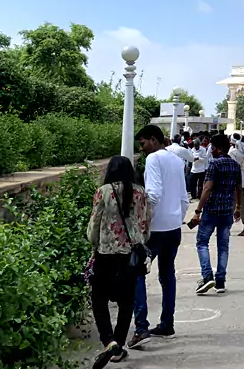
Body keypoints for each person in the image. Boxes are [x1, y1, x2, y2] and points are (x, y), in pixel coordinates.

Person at [87, 156, 151, 368]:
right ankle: (119, 347)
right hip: (130, 256)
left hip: (106, 255)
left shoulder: (103, 192)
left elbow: (93, 227)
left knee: (99, 300)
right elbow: (145, 224)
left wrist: (94, 244)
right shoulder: (141, 192)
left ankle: (109, 341)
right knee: (126, 302)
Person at [130, 125, 188, 348]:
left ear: (153, 140)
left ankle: (141, 327)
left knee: (136, 273)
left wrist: (142, 222)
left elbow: (153, 194)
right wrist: (176, 218)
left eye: (143, 143)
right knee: (167, 275)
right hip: (173, 227)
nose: (142, 149)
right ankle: (167, 323)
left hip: (155, 229)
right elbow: (184, 198)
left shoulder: (154, 160)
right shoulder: (176, 160)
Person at [189, 134, 242, 294]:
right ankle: (220, 281)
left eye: (212, 148)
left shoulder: (214, 164)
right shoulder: (234, 165)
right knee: (223, 246)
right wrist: (238, 207)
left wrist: (197, 210)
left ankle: (207, 277)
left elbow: (207, 188)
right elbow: (238, 187)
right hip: (227, 211)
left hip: (211, 210)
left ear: (219, 149)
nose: (210, 150)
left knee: (202, 242)